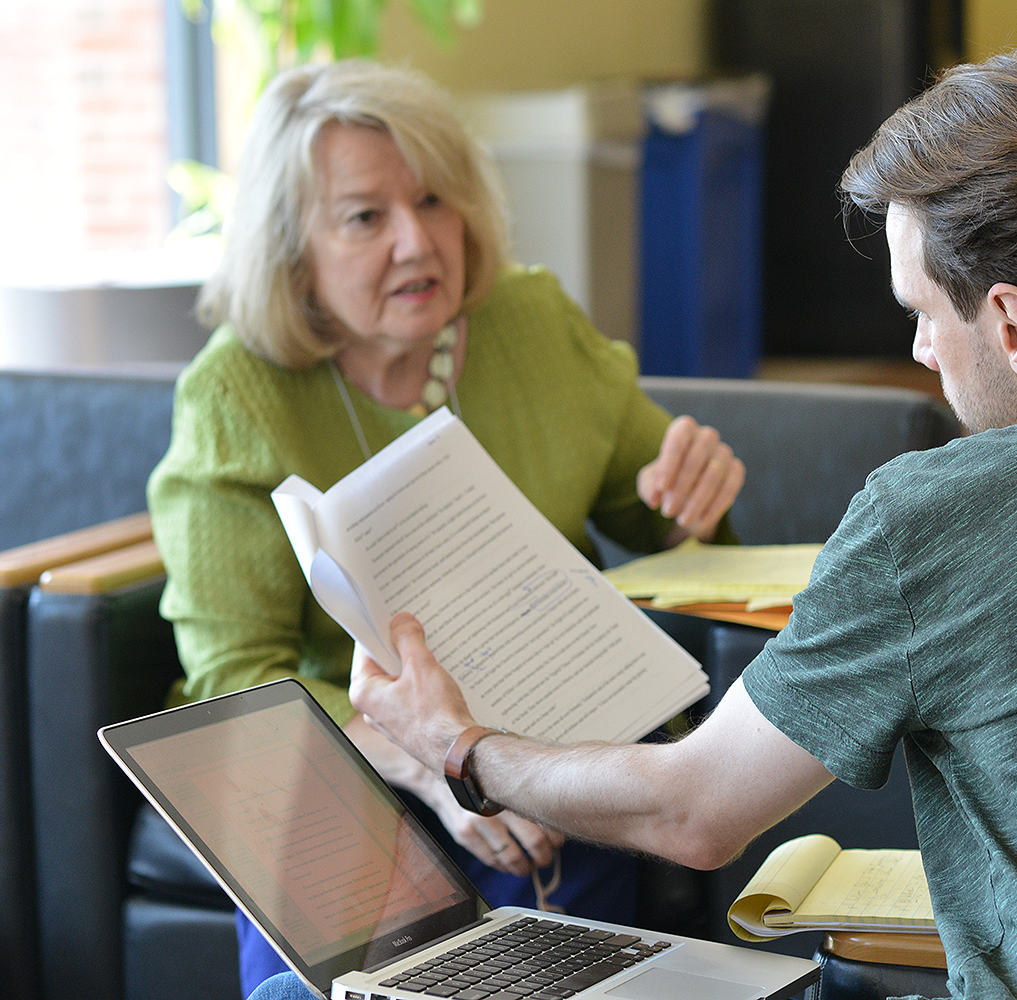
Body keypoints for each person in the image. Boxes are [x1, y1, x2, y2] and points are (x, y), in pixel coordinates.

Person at [264, 39, 1017, 1000]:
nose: (916, 350)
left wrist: (459, 744)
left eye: (921, 314)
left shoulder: (937, 516)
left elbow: (691, 812)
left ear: (1013, 324)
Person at [146, 59, 745, 996]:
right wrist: (428, 763)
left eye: (433, 201)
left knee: (564, 915)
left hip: (537, 735)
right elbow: (233, 684)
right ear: (292, 248)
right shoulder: (236, 394)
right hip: (344, 765)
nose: (416, 242)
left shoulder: (530, 319)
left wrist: (693, 496)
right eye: (364, 218)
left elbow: (663, 522)